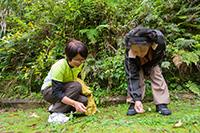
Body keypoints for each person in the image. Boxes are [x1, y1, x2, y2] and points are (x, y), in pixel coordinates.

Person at [124, 26, 172, 116]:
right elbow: (131, 76)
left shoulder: (159, 41)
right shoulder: (130, 53)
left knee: (156, 72)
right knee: (137, 76)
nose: (139, 54)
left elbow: (160, 57)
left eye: (142, 50)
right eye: (136, 51)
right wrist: (137, 99)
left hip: (152, 60)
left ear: (149, 44)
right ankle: (134, 102)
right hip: (136, 63)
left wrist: (148, 70)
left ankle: (161, 103)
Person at [41, 39, 90, 123]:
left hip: (65, 89)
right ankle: (54, 114)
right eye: (77, 59)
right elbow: (57, 92)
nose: (80, 62)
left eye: (82, 60)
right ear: (69, 57)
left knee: (83, 101)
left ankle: (56, 107)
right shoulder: (59, 66)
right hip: (49, 91)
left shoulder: (78, 66)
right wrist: (74, 103)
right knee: (76, 86)